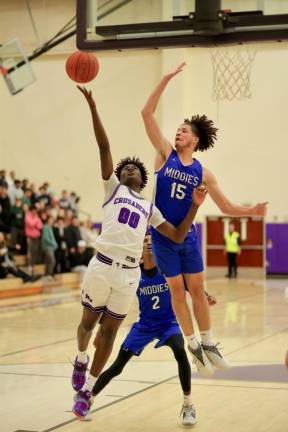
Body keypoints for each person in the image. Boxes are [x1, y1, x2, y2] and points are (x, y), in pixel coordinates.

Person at [71, 86, 207, 418]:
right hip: (102, 265)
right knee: (88, 325)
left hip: (128, 274)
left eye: (136, 169)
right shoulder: (111, 188)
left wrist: (194, 206)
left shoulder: (149, 206)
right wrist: (92, 105)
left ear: (143, 179)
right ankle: (80, 357)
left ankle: (87, 391)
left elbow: (175, 235)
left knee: (109, 332)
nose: (130, 169)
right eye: (126, 168)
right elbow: (103, 145)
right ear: (118, 176)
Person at [141, 62, 268, 376]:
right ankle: (193, 345)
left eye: (184, 130)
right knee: (176, 292)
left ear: (195, 139)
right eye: (178, 130)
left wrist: (251, 211)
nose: (178, 132)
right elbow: (146, 113)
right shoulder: (164, 153)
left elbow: (225, 206)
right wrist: (166, 78)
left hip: (188, 237)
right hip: (163, 238)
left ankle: (209, 344)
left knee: (197, 290)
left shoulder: (203, 173)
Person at [73, 232, 216, 422]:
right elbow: (112, 302)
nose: (148, 243)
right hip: (145, 325)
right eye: (144, 241)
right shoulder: (133, 273)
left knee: (180, 351)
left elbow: (188, 285)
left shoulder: (168, 271)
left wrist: (204, 295)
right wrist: (101, 329)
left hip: (168, 324)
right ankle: (89, 397)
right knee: (117, 365)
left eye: (151, 240)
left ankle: (188, 404)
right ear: (138, 249)